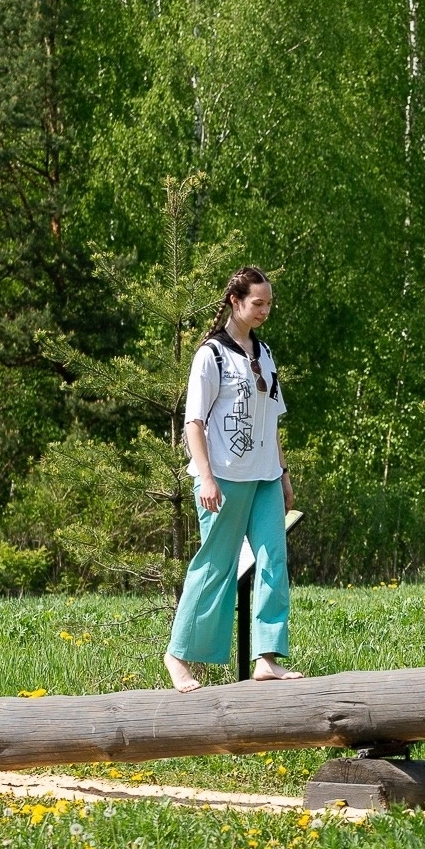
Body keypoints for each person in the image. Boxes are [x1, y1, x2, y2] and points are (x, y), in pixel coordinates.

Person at [164, 266, 303, 691]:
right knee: (215, 567)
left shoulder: (264, 354)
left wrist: (282, 473)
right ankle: (178, 655)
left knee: (273, 564)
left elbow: (271, 421)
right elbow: (193, 423)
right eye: (257, 303)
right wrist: (205, 478)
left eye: (268, 304)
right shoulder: (212, 354)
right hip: (221, 480)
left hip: (263, 478)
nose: (265, 310)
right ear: (235, 302)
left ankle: (267, 657)